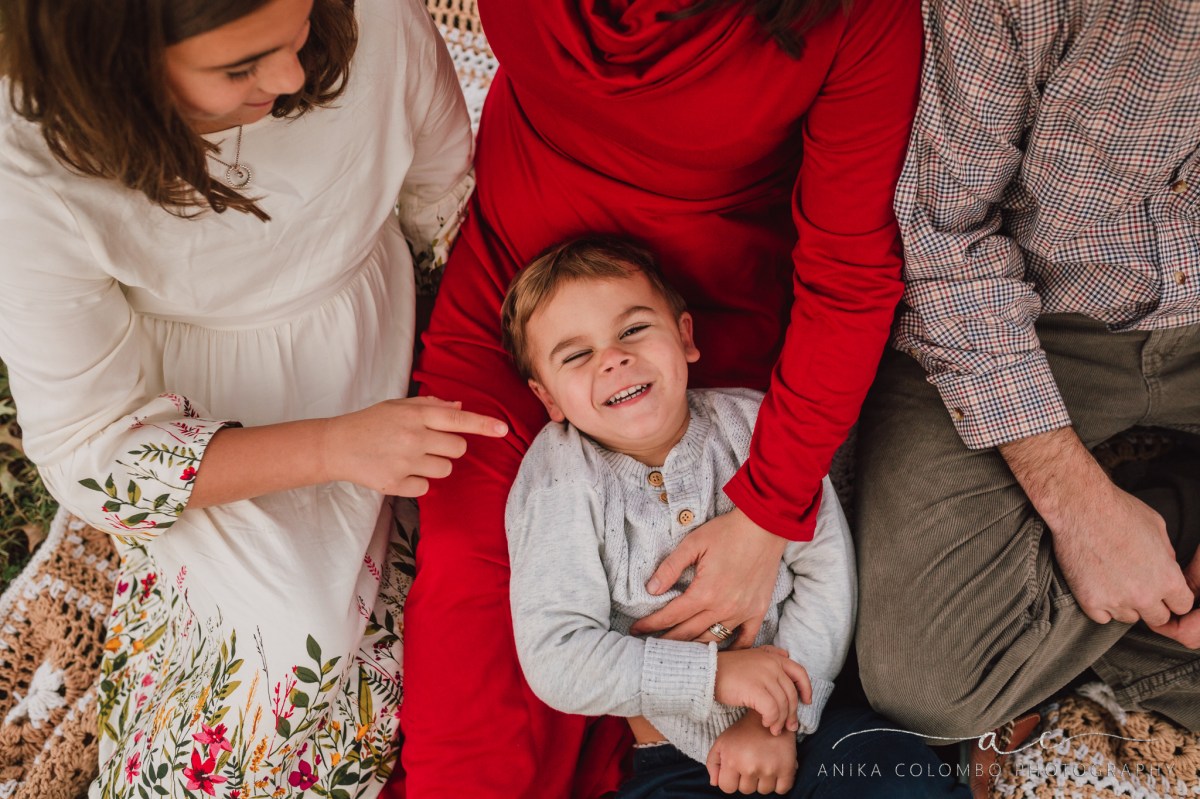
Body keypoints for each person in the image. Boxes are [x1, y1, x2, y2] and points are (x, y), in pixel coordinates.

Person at [405, 0, 923, 795]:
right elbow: (560, 654)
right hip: (515, 296)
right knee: (472, 601)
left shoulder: (857, 17)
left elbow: (850, 281)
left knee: (887, 751)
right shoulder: (557, 435)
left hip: (706, 312)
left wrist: (765, 511)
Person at [0, 0, 506, 796]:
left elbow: (451, 214)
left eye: (299, 28)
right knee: (288, 643)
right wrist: (335, 447)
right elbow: (91, 455)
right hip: (211, 426)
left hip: (385, 340)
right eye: (240, 67)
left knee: (463, 626)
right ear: (117, 65)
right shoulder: (31, 162)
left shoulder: (378, 18)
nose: (291, 76)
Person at [500, 237, 970, 798]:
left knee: (895, 774)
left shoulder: (757, 428)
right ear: (547, 397)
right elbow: (559, 658)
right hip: (674, 759)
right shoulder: (559, 476)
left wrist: (778, 718)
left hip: (812, 725)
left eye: (633, 330)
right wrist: (718, 678)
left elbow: (827, 574)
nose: (613, 358)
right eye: (575, 355)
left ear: (685, 336)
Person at [855, 0, 1200, 745]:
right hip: (1028, 316)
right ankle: (1152, 555)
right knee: (929, 678)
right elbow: (944, 237)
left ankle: (1131, 588)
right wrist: (1081, 506)